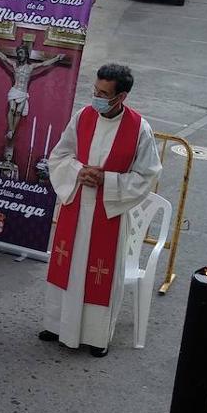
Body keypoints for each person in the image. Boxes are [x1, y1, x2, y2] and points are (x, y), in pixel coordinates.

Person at [39, 64, 161, 356]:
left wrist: (107, 179)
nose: (96, 97)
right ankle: (56, 325)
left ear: (122, 97)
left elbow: (148, 174)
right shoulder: (83, 117)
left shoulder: (139, 128)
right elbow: (60, 155)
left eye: (104, 94)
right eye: (95, 90)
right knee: (66, 265)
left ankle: (96, 337)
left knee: (99, 274)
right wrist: (79, 171)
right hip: (77, 204)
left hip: (109, 213)